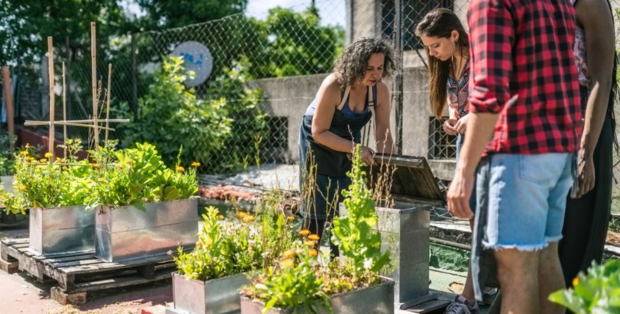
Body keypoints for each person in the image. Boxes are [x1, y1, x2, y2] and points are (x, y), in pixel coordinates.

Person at [448, 0, 582, 313]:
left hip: (518, 151)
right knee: (547, 257)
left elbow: (488, 95)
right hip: (559, 149)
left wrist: (463, 173)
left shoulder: (488, 3)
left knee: (515, 273)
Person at [298, 37, 395, 254]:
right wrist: (356, 148)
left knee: (345, 202)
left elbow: (383, 133)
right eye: (369, 68)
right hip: (317, 142)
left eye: (380, 68)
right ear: (355, 65)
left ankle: (338, 264)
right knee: (317, 204)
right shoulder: (334, 85)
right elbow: (319, 132)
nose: (376, 74)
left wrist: (388, 166)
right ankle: (305, 262)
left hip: (349, 143)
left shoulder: (380, 91)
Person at [415, 8, 480, 314]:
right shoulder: (449, 63)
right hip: (463, 143)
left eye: (435, 45)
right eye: (427, 47)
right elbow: (458, 108)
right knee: (472, 218)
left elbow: (491, 105)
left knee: (480, 219)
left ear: (455, 35)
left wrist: (470, 120)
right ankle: (480, 288)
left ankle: (468, 297)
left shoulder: (481, 60)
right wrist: (453, 120)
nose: (431, 52)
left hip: (487, 145)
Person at [559, 0, 618, 300]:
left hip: (585, 129)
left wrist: (586, 153)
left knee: (577, 245)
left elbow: (601, 80)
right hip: (547, 129)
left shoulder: (589, 3)